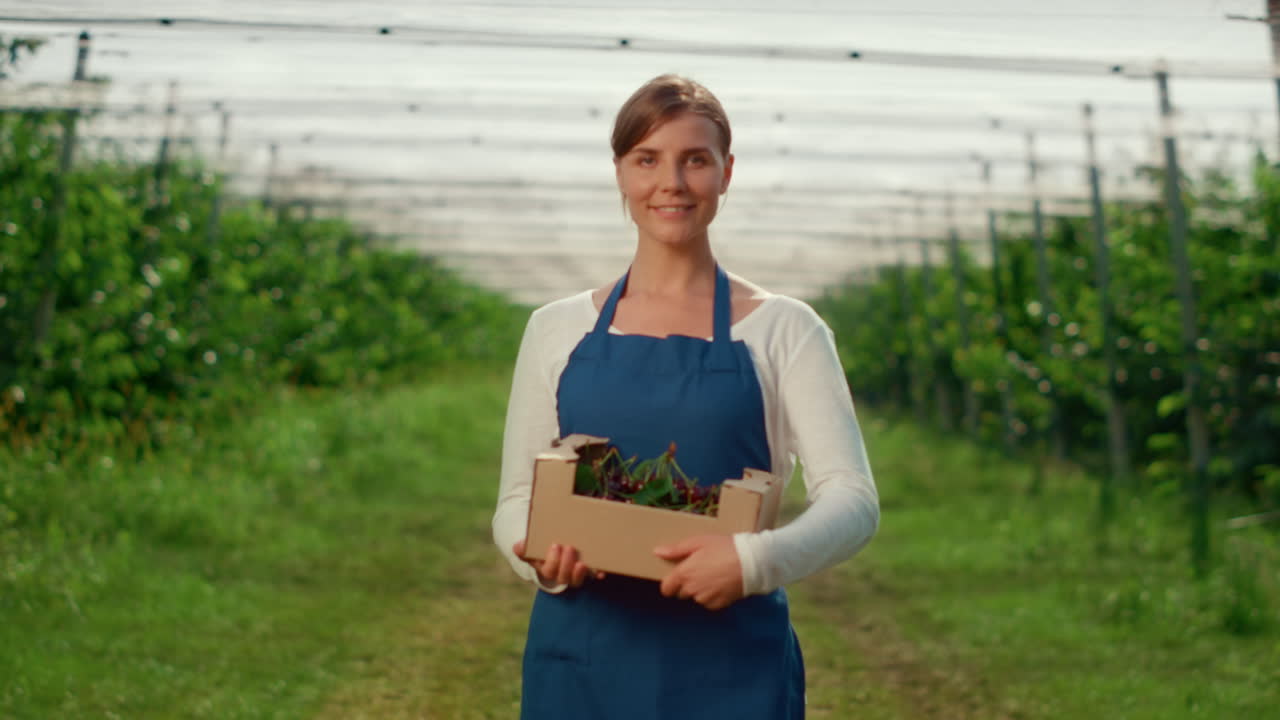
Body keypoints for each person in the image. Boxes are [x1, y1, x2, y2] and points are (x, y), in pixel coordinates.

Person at [492, 73, 879, 720]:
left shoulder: (785, 328)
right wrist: (539, 558)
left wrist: (753, 562)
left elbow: (853, 498)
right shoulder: (556, 329)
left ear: (727, 173)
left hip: (729, 663)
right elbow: (516, 501)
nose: (670, 182)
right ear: (620, 173)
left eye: (695, 160)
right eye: (647, 159)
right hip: (584, 657)